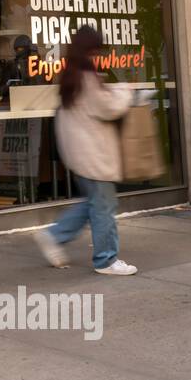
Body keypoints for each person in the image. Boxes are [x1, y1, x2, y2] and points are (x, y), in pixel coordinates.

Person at [35, 26, 139, 276]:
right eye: (96, 50)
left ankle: (54, 235)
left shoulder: (71, 75)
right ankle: (106, 259)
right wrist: (126, 91)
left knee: (95, 202)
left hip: (80, 152)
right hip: (93, 153)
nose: (98, 55)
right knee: (104, 206)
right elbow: (108, 108)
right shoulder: (87, 77)